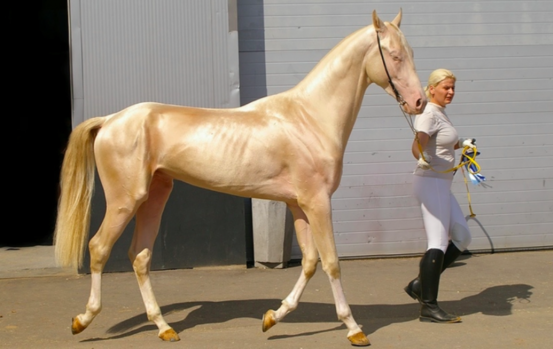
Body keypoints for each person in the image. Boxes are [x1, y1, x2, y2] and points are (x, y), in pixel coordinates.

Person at [405, 68, 475, 323]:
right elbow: (418, 145)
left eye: (453, 88)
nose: (451, 92)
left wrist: (463, 145)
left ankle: (419, 285)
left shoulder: (440, 114)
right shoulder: (428, 114)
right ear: (431, 88)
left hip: (442, 183)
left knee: (463, 237)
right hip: (430, 182)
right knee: (438, 242)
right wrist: (421, 159)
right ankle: (428, 306)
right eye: (446, 87)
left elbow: (442, 142)